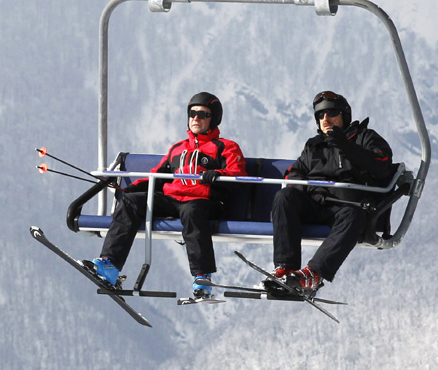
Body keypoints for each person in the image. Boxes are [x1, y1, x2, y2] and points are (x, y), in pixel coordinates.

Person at [90, 92, 247, 298]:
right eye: (192, 113)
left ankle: (202, 277)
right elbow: (158, 175)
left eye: (203, 114)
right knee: (132, 201)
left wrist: (217, 174)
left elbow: (239, 174)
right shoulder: (177, 148)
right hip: (173, 199)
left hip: (205, 201)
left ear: (214, 119)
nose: (196, 119)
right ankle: (110, 264)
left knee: (192, 212)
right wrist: (133, 188)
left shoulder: (225, 147)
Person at [269, 91, 393, 296]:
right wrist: (308, 189)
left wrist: (347, 146)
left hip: (347, 207)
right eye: (320, 115)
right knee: (284, 196)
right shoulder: (314, 145)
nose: (325, 119)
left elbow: (382, 167)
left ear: (344, 115)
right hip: (316, 203)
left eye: (332, 113)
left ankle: (314, 274)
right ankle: (286, 268)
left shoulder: (365, 137)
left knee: (354, 215)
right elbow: (295, 173)